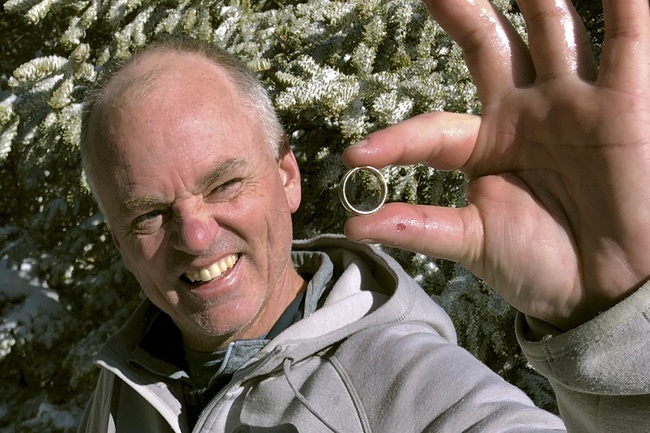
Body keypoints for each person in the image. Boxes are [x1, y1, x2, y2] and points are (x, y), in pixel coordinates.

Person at [77, 1, 649, 432]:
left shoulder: (404, 385)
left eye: (225, 183)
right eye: (149, 215)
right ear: (121, 242)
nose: (196, 235)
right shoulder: (127, 379)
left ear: (288, 178)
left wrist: (618, 331)